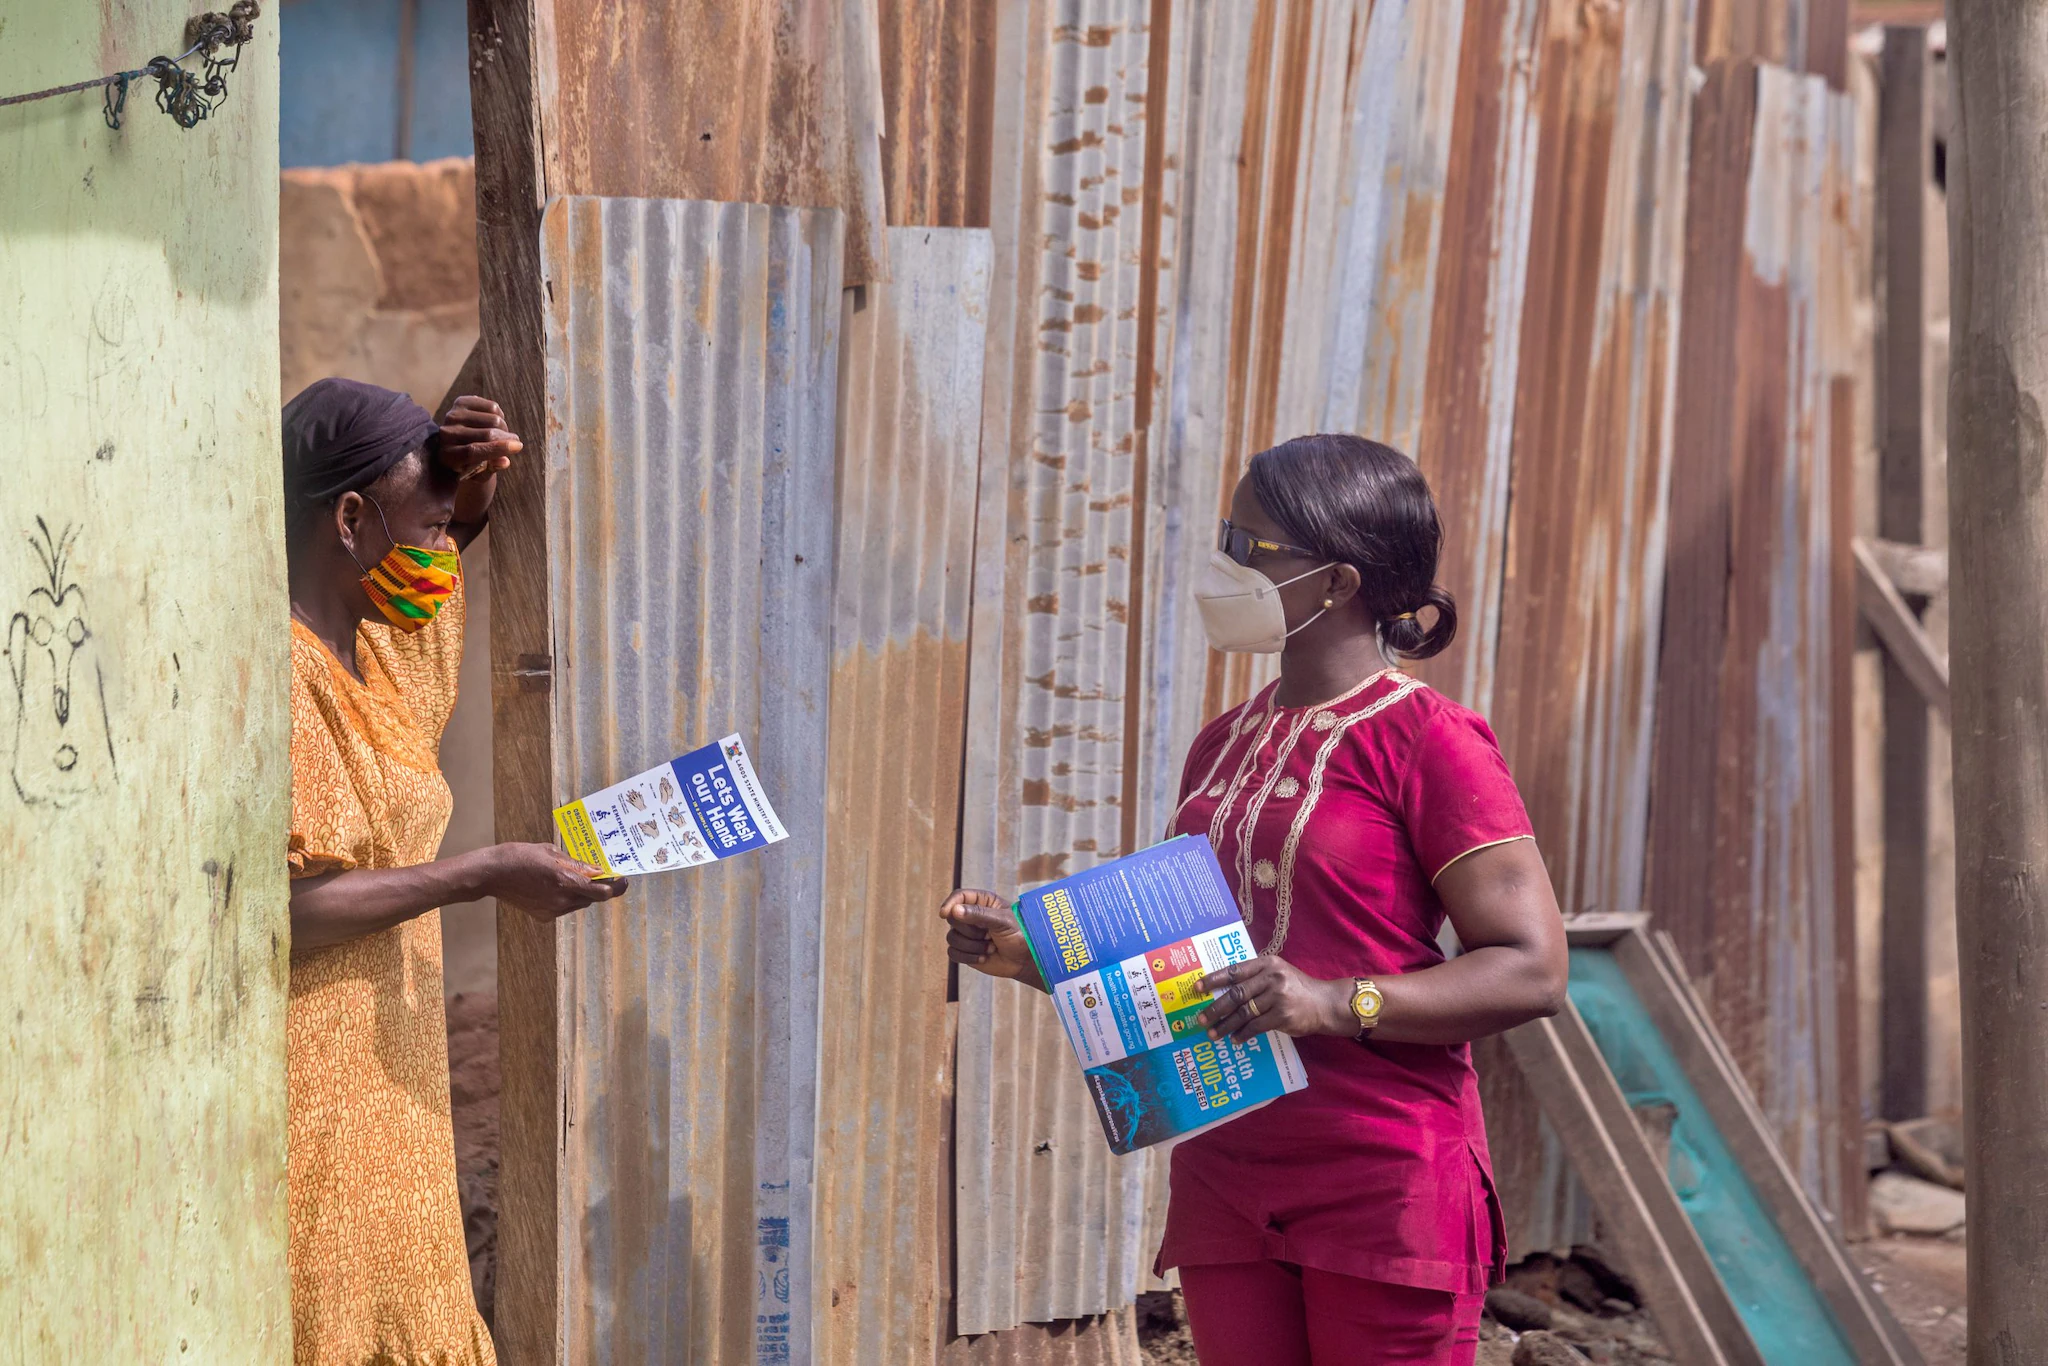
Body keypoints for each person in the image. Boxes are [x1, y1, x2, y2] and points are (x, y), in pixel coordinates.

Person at [939, 434, 1568, 1366]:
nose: (1225, 563)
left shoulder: (1433, 743)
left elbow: (1534, 969)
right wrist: (1041, 956)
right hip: (1229, 1165)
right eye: (1229, 534)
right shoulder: (1223, 744)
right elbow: (1201, 969)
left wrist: (1333, 1000)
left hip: (1384, 1177)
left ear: (1339, 583)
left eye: (1253, 546)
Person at [281, 379, 626, 1365]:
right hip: (313, 1090)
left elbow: (441, 544)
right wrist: (475, 874)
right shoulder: (282, 670)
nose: (441, 543)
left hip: (394, 1083)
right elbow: (285, 913)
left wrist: (463, 477)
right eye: (422, 513)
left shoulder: (380, 648)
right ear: (348, 519)